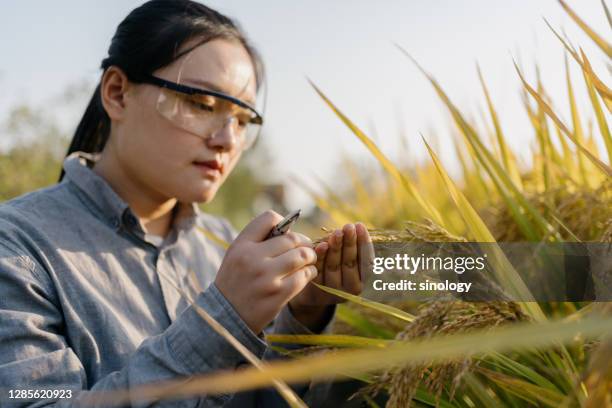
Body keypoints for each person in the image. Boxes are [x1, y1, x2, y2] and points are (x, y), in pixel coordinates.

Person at [0, 1, 373, 406]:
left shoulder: (225, 247)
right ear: (117, 93)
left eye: (243, 120)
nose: (228, 140)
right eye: (202, 104)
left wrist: (305, 318)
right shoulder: (17, 248)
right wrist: (224, 317)